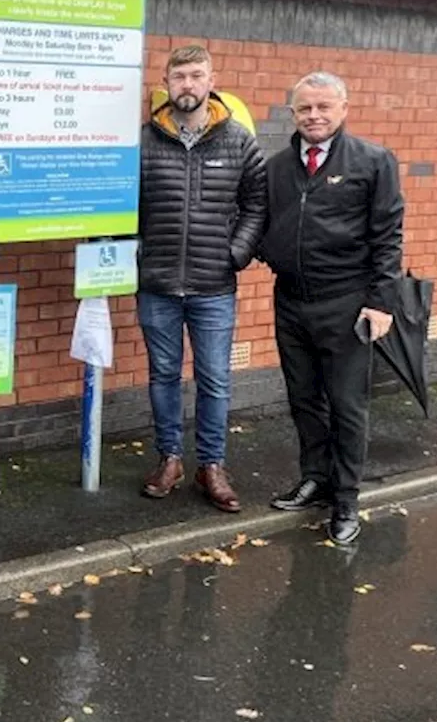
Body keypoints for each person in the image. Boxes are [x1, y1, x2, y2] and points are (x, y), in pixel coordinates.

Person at [259, 72, 404, 544]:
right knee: (303, 398)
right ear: (294, 113)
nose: (314, 116)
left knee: (346, 406)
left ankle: (346, 500)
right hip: (291, 300)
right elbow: (264, 223)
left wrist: (381, 302)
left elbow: (387, 237)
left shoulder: (373, 161)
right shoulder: (277, 167)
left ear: (343, 108)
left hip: (347, 303)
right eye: (305, 109)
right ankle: (315, 477)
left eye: (323, 107)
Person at [136, 45, 267, 513]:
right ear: (166, 83)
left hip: (214, 287)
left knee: (214, 379)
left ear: (211, 80)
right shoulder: (146, 141)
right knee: (163, 377)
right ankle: (169, 458)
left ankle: (211, 465)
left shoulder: (238, 140)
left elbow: (258, 204)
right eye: (179, 77)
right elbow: (127, 207)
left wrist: (236, 252)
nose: (187, 85)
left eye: (196, 76)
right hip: (158, 284)